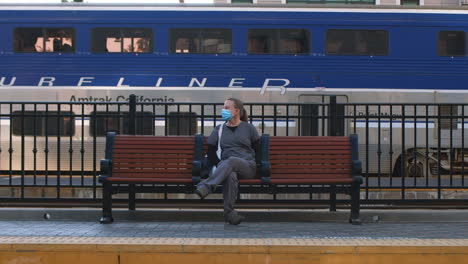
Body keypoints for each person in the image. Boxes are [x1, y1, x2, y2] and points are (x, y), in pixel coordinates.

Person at [194, 98, 260, 225]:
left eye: (227, 107)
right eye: (224, 107)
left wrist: (259, 166)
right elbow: (211, 152)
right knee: (230, 175)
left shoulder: (249, 128)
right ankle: (229, 214)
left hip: (247, 166)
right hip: (226, 167)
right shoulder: (219, 129)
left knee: (232, 160)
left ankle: (206, 187)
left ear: (237, 111)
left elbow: (258, 150)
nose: (223, 110)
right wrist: (221, 165)